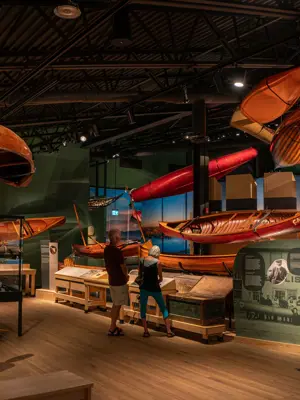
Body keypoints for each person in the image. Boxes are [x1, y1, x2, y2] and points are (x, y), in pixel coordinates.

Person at [138, 245, 174, 338]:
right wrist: (158, 281)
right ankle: (169, 331)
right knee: (163, 308)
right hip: (154, 288)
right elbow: (160, 278)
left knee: (143, 308)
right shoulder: (158, 262)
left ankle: (146, 331)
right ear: (158, 253)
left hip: (143, 287)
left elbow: (139, 275)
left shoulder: (141, 260)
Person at [104, 229, 129, 336]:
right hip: (119, 281)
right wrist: (126, 275)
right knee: (117, 305)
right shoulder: (117, 252)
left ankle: (113, 326)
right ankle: (112, 327)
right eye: (119, 236)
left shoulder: (107, 250)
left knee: (115, 304)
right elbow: (123, 267)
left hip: (112, 280)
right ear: (116, 238)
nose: (120, 238)